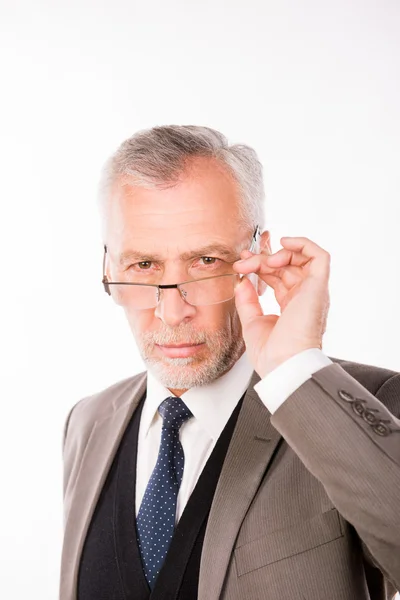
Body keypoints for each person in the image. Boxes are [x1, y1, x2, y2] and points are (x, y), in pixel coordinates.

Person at [60, 125, 400, 600]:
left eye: (205, 261)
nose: (172, 311)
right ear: (109, 270)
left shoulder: (368, 405)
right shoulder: (89, 422)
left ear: (258, 259)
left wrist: (295, 369)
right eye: (144, 266)